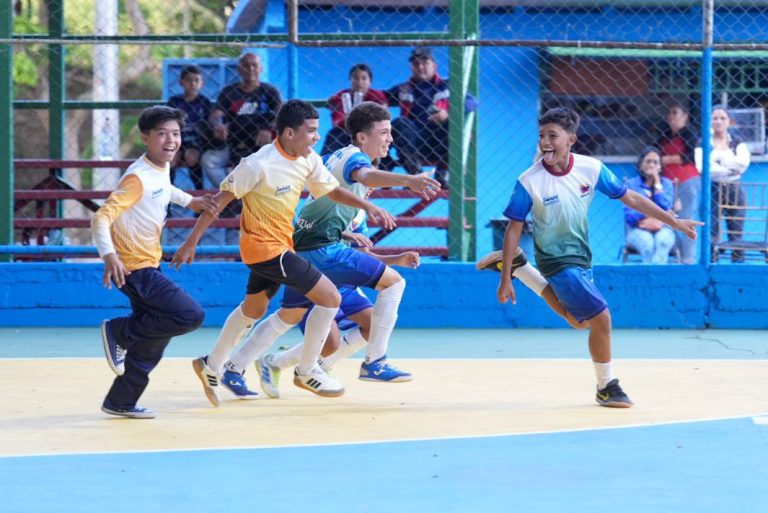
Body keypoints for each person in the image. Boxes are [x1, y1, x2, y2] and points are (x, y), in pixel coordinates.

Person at [170, 99, 396, 406]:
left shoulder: (308, 159)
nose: (317, 137)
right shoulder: (257, 164)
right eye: (311, 131)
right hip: (263, 249)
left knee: (253, 310)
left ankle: (212, 364)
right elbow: (217, 202)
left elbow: (330, 190)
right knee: (330, 297)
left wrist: (367, 205)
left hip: (281, 245)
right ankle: (307, 370)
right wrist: (191, 242)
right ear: (289, 133)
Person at [216, 101, 441, 398]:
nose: (390, 139)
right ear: (362, 137)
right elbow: (364, 175)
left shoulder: (344, 171)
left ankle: (241, 365)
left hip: (308, 246)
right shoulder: (354, 160)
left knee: (292, 315)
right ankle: (373, 363)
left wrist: (393, 257)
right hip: (319, 249)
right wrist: (408, 180)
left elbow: (336, 205)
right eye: (384, 132)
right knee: (393, 284)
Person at [496, 107, 702, 408]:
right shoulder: (529, 181)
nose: (545, 142)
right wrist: (503, 280)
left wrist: (674, 221)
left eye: (553, 136)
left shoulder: (590, 168)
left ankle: (523, 270)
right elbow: (514, 228)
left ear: (571, 140)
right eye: (541, 136)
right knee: (602, 318)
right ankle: (607, 386)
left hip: (581, 257)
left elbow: (630, 197)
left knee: (582, 323)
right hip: (555, 260)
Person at [91, 105, 218, 419]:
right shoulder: (137, 178)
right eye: (161, 134)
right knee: (189, 314)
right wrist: (109, 256)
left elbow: (164, 190)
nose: (170, 140)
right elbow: (101, 217)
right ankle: (119, 331)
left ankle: (121, 400)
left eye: (175, 134)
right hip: (134, 268)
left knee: (155, 336)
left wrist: (193, 201)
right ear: (145, 137)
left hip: (148, 265)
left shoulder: (157, 170)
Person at [255, 250, 421, 399]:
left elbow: (362, 256)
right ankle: (274, 362)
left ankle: (321, 365)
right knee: (330, 346)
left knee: (374, 326)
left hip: (344, 285)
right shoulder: (327, 217)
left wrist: (395, 259)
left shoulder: (358, 218)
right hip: (314, 283)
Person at [385, 47, 451, 188]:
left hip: (441, 141)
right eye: (416, 64)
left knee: (452, 123)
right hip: (415, 142)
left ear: (434, 65)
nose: (420, 67)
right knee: (400, 123)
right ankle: (416, 177)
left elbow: (471, 102)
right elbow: (380, 98)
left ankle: (442, 176)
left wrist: (447, 113)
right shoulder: (404, 88)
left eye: (424, 62)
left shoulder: (449, 85)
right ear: (411, 67)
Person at [695, 105, 751, 263]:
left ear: (729, 121)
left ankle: (738, 264)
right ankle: (711, 263)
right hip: (712, 188)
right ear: (710, 121)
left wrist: (717, 162)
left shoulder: (737, 140)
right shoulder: (703, 142)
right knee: (711, 229)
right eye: (715, 118)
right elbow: (703, 168)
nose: (718, 121)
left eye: (722, 118)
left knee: (736, 229)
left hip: (734, 188)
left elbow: (742, 165)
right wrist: (729, 167)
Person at [657, 103, 701, 264]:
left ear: (685, 117)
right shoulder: (665, 135)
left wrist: (666, 159)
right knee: (668, 218)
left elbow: (689, 156)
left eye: (675, 112)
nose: (671, 116)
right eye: (669, 113)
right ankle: (679, 254)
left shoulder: (688, 133)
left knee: (687, 217)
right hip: (668, 183)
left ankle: (688, 258)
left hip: (687, 180)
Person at [623, 147, 677, 263]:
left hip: (663, 228)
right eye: (648, 161)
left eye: (655, 162)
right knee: (647, 244)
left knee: (663, 241)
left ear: (660, 167)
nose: (651, 165)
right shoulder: (631, 184)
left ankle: (657, 278)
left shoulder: (666, 184)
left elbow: (666, 207)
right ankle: (650, 278)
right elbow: (629, 217)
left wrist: (657, 185)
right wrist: (653, 213)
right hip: (637, 229)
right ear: (641, 165)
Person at [321, 63, 388, 155]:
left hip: (371, 132)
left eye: (364, 78)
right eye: (355, 78)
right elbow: (337, 119)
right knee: (334, 133)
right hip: (347, 131)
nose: (359, 82)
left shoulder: (376, 96)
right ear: (350, 80)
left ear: (370, 81)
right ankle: (325, 163)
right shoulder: (342, 96)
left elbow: (382, 118)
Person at [166, 65, 212, 190]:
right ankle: (166, 197)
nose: (192, 84)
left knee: (191, 157)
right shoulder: (174, 102)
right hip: (177, 140)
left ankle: (199, 191)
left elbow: (208, 127)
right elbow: (167, 123)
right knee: (171, 159)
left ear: (201, 83)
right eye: (188, 80)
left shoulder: (204, 102)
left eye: (196, 80)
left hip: (196, 142)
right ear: (181, 82)